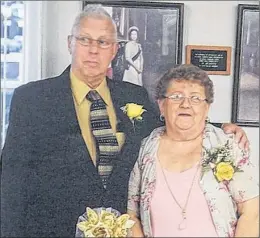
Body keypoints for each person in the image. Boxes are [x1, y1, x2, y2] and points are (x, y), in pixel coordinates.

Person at [0, 5, 249, 238]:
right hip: (53, 229)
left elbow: (166, 126)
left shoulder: (133, 95)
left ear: (114, 49)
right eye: (84, 40)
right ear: (70, 43)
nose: (93, 50)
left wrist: (219, 127)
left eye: (103, 42)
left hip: (123, 228)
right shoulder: (32, 98)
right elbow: (11, 180)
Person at [127, 64, 259, 237]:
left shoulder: (227, 145)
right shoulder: (145, 148)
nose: (186, 104)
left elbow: (252, 213)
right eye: (176, 96)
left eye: (196, 98)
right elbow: (131, 216)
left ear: (207, 107)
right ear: (161, 105)